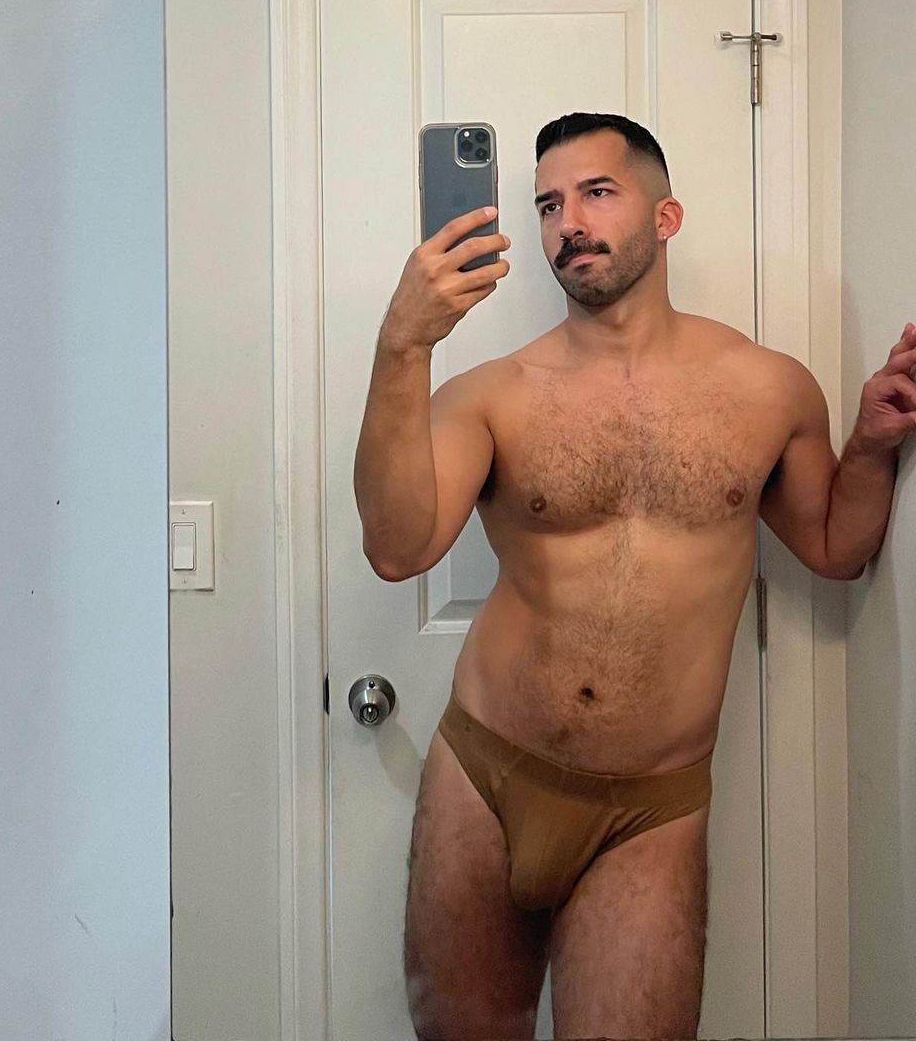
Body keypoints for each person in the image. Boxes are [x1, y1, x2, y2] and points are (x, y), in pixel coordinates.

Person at [352, 113, 910, 1041]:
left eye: (597, 193)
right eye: (547, 205)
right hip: (484, 779)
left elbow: (834, 548)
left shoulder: (769, 387)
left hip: (651, 811)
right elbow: (395, 549)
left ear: (665, 215)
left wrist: (873, 445)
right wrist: (402, 347)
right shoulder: (489, 395)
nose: (568, 222)